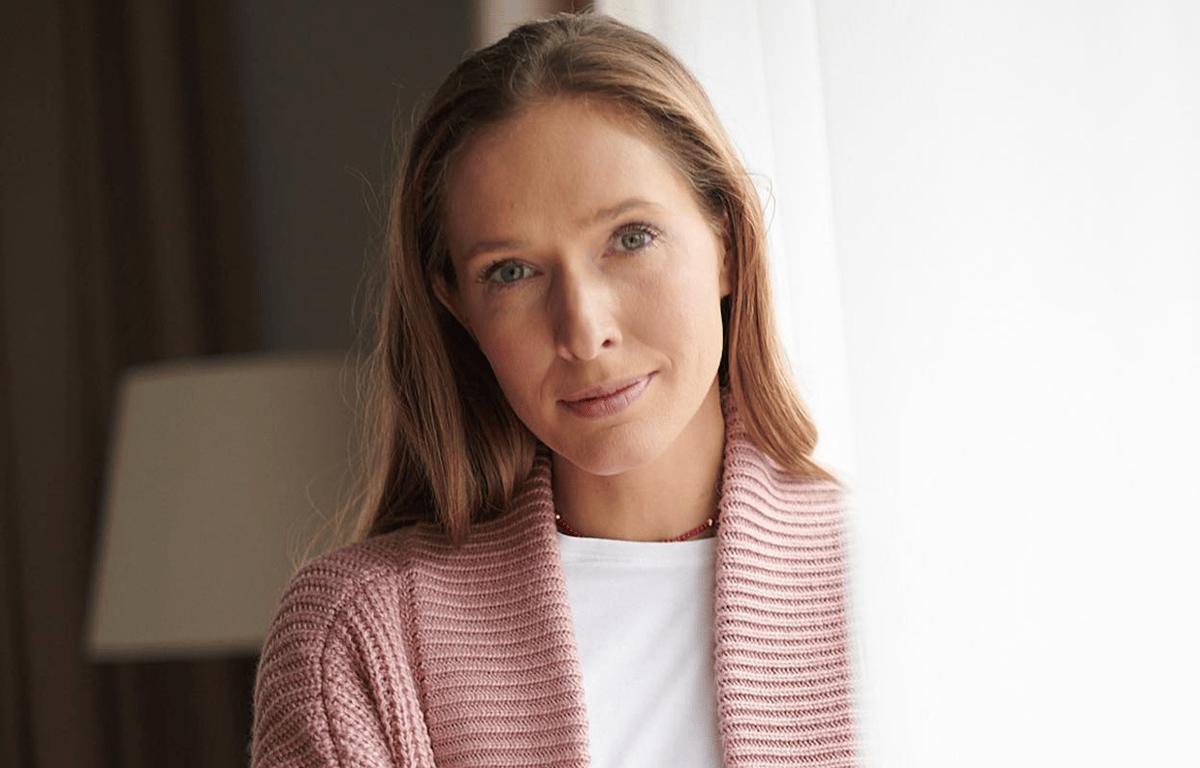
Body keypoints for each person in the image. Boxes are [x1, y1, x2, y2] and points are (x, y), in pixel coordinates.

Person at [250, 13, 856, 767]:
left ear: (726, 243)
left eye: (630, 238)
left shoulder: (904, 582)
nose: (584, 330)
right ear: (459, 309)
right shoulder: (359, 639)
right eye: (511, 272)